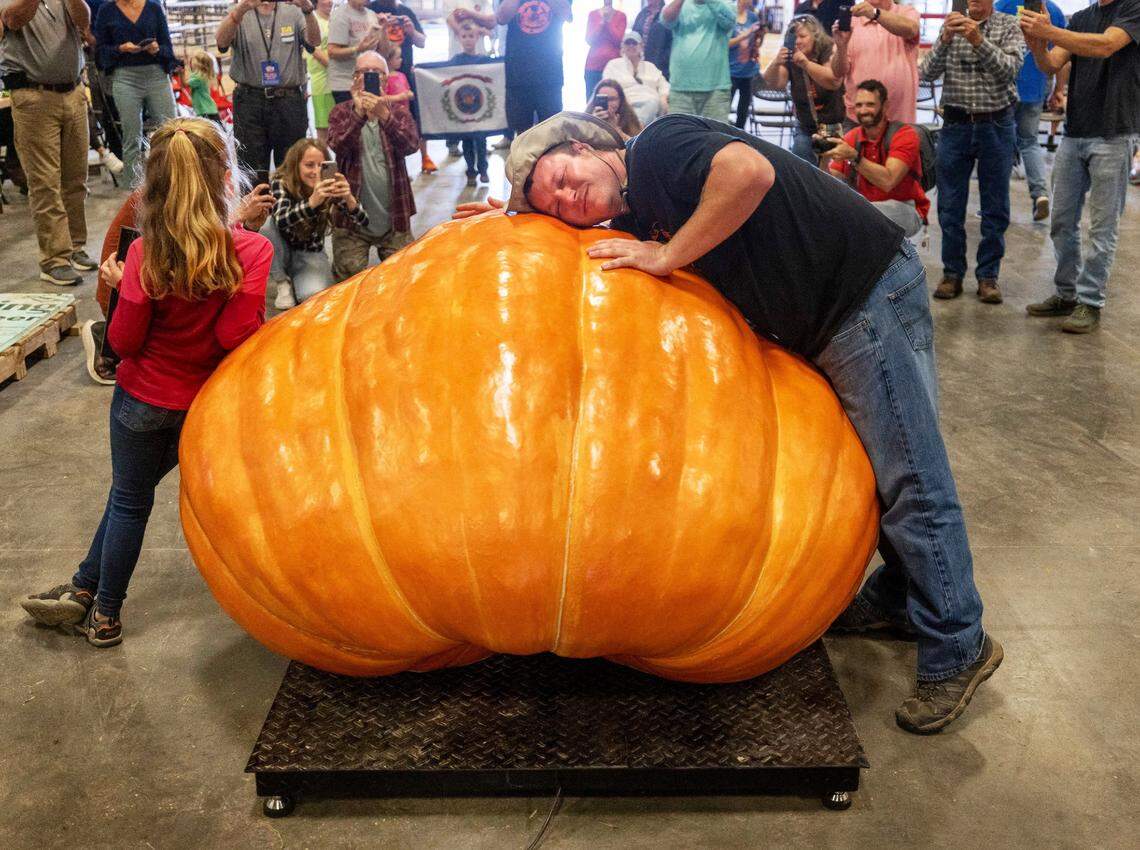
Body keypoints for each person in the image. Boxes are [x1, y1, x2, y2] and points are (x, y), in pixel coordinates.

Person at [455, 110, 1002, 734]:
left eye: (560, 175)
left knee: (908, 471)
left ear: (583, 147)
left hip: (861, 292)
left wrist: (669, 255)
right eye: (552, 203)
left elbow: (749, 172)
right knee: (881, 467)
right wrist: (508, 216)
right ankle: (906, 597)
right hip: (822, 314)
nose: (567, 197)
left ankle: (959, 644)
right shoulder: (635, 206)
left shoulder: (658, 149)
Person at [20, 117, 272, 647]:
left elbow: (127, 343)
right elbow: (234, 337)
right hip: (202, 404)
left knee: (130, 500)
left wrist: (118, 290)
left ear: (154, 183)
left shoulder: (143, 252)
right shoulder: (250, 251)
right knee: (128, 496)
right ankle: (86, 588)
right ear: (227, 177)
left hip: (140, 402)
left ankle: (106, 614)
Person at [1020, 0, 1140, 334]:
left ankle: (1091, 301)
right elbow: (1050, 63)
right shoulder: (1081, 18)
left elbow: (1105, 46)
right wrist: (1036, 40)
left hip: (1115, 133)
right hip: (1076, 132)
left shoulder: (1133, 8)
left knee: (1102, 229)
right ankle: (1066, 293)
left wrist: (1049, 31)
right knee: (1061, 220)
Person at [83, 181, 274, 385]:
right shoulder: (157, 208)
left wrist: (243, 226)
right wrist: (126, 287)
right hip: (145, 310)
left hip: (158, 309)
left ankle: (105, 335)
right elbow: (190, 261)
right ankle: (105, 342)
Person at [920, 0, 1023, 305]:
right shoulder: (949, 26)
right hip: (956, 124)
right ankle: (952, 273)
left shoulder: (1007, 25)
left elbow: (1009, 69)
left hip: (996, 123)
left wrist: (979, 41)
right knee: (950, 205)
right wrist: (945, 40)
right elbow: (927, 72)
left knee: (996, 205)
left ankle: (988, 276)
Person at [1, 0, 98, 285]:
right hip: (33, 96)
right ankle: (54, 258)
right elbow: (13, 19)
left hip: (73, 92)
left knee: (76, 177)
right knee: (45, 181)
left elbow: (84, 21)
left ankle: (76, 246)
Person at [326, 51, 418, 280]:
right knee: (348, 282)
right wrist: (358, 114)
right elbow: (339, 146)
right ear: (354, 78)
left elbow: (411, 145)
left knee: (404, 278)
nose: (369, 77)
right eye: (363, 73)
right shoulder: (340, 112)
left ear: (385, 80)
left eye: (376, 73)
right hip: (351, 221)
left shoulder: (398, 112)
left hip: (395, 217)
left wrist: (384, 115)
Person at [215, 0, 320, 173]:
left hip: (289, 101)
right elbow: (221, 42)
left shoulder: (294, 10)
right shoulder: (239, 11)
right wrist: (241, 9)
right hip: (250, 101)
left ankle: (289, 201)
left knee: (292, 168)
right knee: (251, 169)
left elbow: (314, 42)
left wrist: (308, 10)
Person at [820, 78, 929, 237]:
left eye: (870, 105)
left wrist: (855, 157)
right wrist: (823, 157)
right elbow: (832, 183)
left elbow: (888, 181)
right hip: (865, 207)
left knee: (857, 217)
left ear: (885, 106)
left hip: (907, 208)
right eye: (859, 105)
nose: (863, 110)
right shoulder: (853, 137)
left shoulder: (904, 135)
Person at [266, 138, 365, 305]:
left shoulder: (330, 187)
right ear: (296, 165)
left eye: (321, 165)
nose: (316, 171)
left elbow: (363, 222)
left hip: (310, 252)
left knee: (315, 296)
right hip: (282, 248)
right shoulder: (281, 182)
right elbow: (281, 220)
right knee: (266, 225)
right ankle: (282, 282)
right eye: (309, 165)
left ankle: (299, 281)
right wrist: (312, 202)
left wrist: (349, 199)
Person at [992, 0, 1065, 223]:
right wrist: (1059, 91)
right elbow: (1064, 58)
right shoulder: (1052, 11)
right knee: (1029, 141)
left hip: (1004, 88)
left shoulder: (1001, 6)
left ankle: (996, 206)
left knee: (1000, 144)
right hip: (1035, 88)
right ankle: (1040, 194)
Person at [93, 0, 177, 186]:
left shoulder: (153, 7)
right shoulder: (107, 10)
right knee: (131, 137)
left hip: (156, 74)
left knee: (173, 132)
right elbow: (100, 53)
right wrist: (120, 48)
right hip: (125, 77)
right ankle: (131, 192)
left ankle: (175, 182)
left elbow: (168, 49)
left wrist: (156, 49)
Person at [762, 14, 844, 164]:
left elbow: (833, 81)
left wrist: (806, 64)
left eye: (803, 36)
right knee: (800, 165)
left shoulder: (828, 48)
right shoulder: (792, 54)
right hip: (805, 125)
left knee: (830, 174)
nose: (798, 41)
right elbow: (777, 84)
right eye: (795, 37)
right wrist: (775, 63)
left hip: (834, 125)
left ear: (815, 35)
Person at [830, 0, 921, 125]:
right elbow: (837, 72)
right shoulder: (852, 21)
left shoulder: (906, 12)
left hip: (899, 119)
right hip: (859, 118)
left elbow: (911, 29)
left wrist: (874, 13)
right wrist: (841, 47)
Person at [368, 0, 431, 172]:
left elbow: (422, 42)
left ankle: (424, 156)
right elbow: (364, 43)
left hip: (405, 74)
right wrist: (379, 26)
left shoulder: (406, 11)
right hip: (378, 74)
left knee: (415, 116)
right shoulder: (370, 10)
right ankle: (383, 159)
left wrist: (412, 31)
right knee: (380, 115)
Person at [498, 0, 572, 136]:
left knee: (552, 132)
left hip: (549, 73)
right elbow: (502, 18)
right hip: (518, 73)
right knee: (521, 134)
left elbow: (566, 14)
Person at [661, 0, 735, 119]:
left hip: (716, 90)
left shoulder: (726, 3)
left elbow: (729, 22)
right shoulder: (679, 5)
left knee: (715, 136)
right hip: (680, 89)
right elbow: (666, 20)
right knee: (681, 136)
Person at [444, 0, 496, 156]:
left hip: (478, 58)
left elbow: (491, 24)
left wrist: (474, 20)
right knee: (455, 100)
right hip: (457, 57)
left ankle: (479, 140)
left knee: (478, 100)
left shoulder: (486, 3)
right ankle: (453, 141)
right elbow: (451, 20)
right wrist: (476, 29)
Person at [450, 20, 492, 185]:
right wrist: (420, 71)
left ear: (477, 37)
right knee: (467, 142)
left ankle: (483, 169)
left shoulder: (484, 60)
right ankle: (470, 171)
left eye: (471, 36)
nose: (468, 39)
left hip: (480, 110)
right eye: (464, 36)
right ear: (459, 38)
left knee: (481, 142)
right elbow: (440, 73)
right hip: (463, 111)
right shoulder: (455, 60)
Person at [601, 30, 669, 126]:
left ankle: (636, 131)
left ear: (641, 46)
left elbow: (664, 84)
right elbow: (607, 85)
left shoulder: (650, 66)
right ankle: (638, 131)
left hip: (651, 104)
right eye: (628, 43)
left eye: (634, 43)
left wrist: (663, 97)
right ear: (623, 46)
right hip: (626, 103)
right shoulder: (613, 64)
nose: (631, 46)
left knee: (652, 103)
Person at [327, 0, 381, 104]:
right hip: (346, 83)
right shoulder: (341, 15)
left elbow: (381, 52)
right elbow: (332, 51)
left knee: (371, 119)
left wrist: (383, 29)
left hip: (369, 79)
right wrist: (357, 49)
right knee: (351, 119)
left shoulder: (371, 14)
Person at [728, 0, 763, 129]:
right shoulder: (729, 16)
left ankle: (739, 134)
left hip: (748, 70)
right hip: (731, 70)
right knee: (726, 106)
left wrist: (757, 42)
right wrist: (745, 35)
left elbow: (757, 39)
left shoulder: (753, 16)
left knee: (743, 110)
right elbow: (725, 43)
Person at [585, 0, 627, 101]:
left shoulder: (621, 16)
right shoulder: (593, 14)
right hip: (593, 65)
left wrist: (608, 22)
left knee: (613, 101)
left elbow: (619, 40)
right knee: (592, 101)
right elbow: (589, 39)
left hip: (614, 66)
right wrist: (601, 22)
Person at [307, 0, 335, 145]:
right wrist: (334, 67)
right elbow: (312, 48)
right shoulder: (312, 19)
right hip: (321, 82)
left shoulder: (335, 19)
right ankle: (321, 164)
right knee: (323, 131)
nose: (329, 2)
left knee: (339, 127)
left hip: (339, 82)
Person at [187, 51, 222, 123]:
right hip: (207, 110)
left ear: (199, 64)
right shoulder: (201, 76)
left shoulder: (199, 78)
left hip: (205, 111)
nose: (190, 62)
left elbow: (185, 84)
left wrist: (182, 71)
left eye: (192, 60)